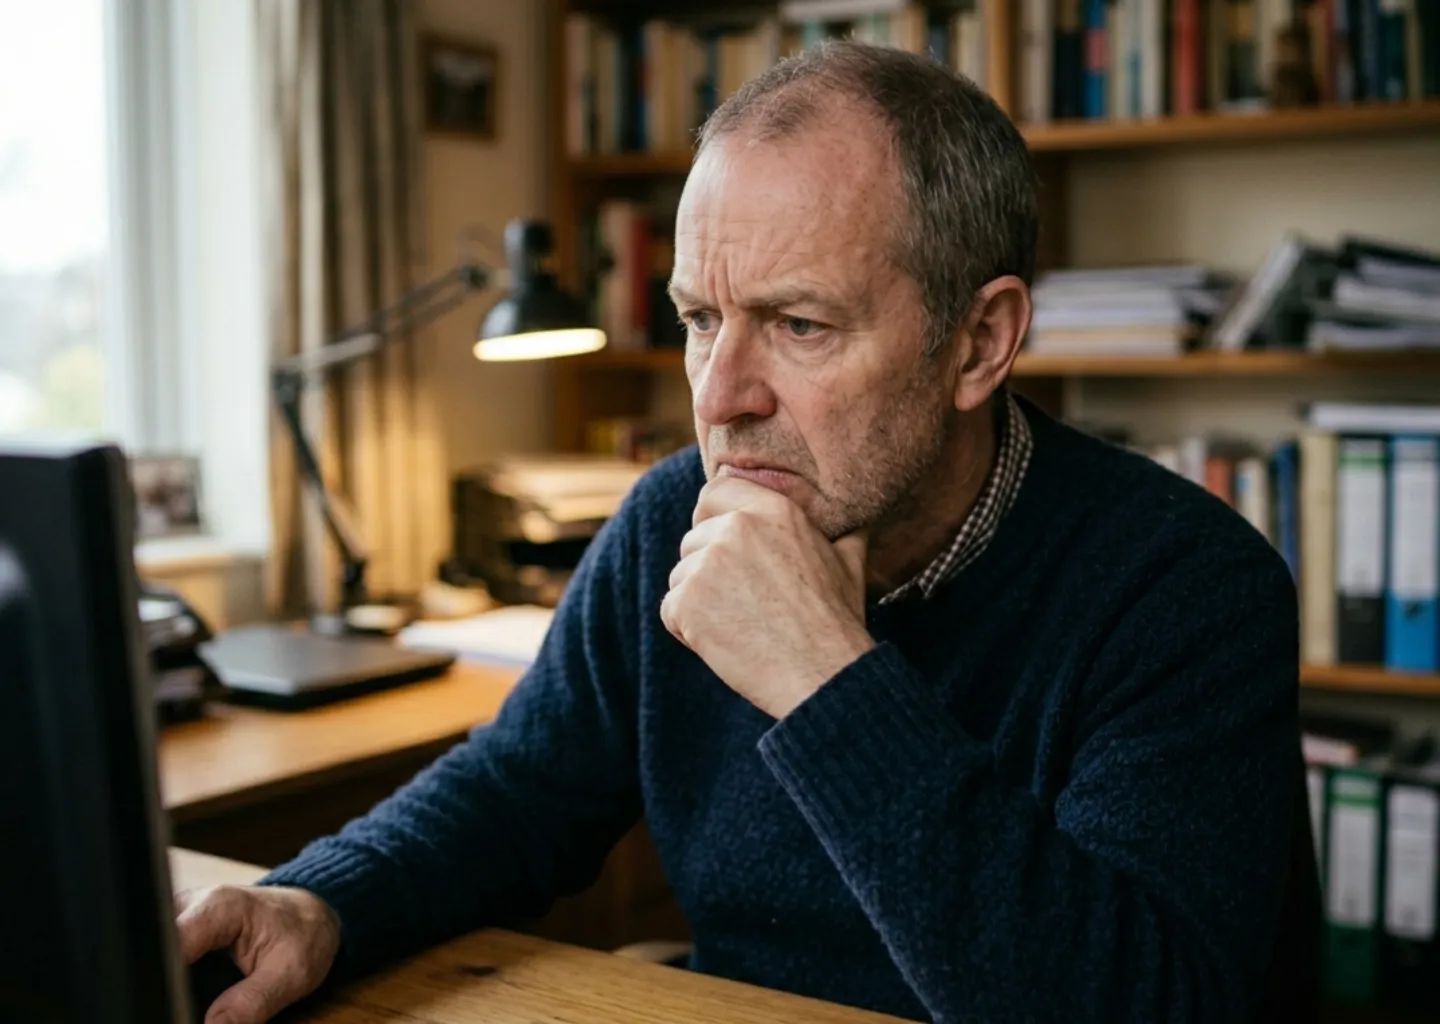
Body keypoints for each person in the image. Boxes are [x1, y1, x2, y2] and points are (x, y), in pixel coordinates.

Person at [174, 41, 1317, 1024]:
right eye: (700, 318)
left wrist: (827, 676)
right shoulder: (671, 517)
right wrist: (322, 901)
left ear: (979, 343)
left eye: (799, 324)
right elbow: (516, 794)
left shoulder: (1189, 587)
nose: (720, 396)